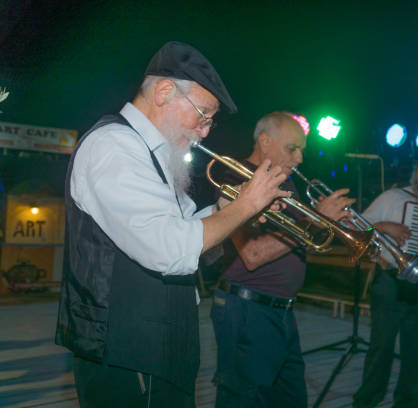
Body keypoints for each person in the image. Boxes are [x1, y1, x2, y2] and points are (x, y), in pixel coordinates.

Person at [55, 41, 291, 408]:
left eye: (210, 120)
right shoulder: (114, 146)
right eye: (204, 114)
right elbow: (169, 250)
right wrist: (245, 207)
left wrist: (225, 207)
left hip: (158, 349)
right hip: (129, 353)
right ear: (164, 92)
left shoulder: (151, 154)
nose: (206, 131)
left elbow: (185, 230)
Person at [210, 111, 354, 407]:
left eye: (302, 149)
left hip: (281, 311)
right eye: (293, 148)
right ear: (265, 141)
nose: (300, 158)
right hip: (248, 310)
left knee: (290, 398)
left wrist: (326, 230)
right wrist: (314, 224)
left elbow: (295, 244)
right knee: (245, 399)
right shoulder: (237, 177)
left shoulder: (287, 185)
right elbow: (252, 255)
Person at [353, 156, 418, 408]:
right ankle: (366, 401)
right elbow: (355, 226)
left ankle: (408, 403)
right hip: (389, 280)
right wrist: (384, 226)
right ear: (414, 175)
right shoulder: (391, 197)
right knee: (381, 347)